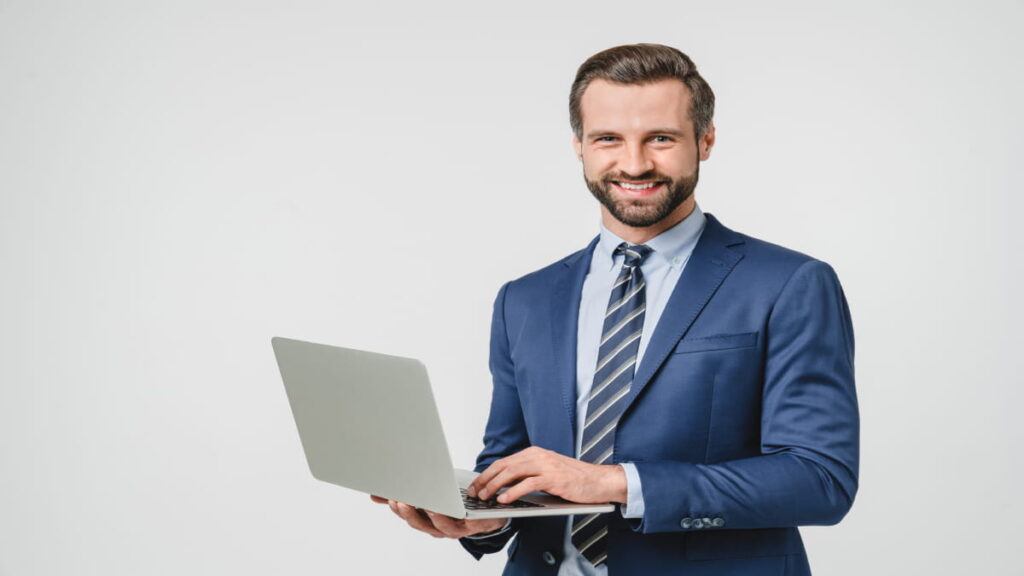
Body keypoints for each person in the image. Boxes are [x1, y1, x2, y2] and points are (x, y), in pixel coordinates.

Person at [373, 43, 858, 575]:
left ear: (706, 140)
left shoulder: (789, 284)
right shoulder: (524, 298)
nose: (634, 163)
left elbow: (820, 479)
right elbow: (510, 462)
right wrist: (485, 516)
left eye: (661, 138)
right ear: (579, 146)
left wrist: (613, 483)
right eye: (608, 139)